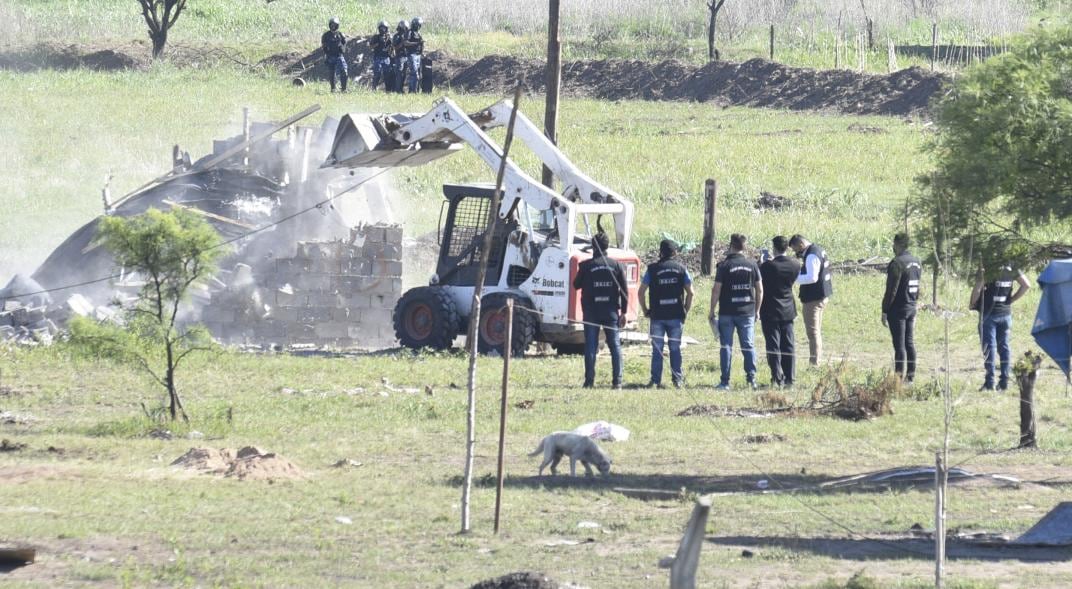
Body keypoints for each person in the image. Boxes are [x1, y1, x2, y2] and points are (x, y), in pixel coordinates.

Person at [573, 231, 628, 389]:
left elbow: (576, 285)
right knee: (615, 346)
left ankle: (589, 382)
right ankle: (617, 382)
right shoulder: (616, 266)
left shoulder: (586, 266)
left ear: (593, 247)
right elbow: (624, 291)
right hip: (610, 312)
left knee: (590, 345)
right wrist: (624, 312)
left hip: (591, 312)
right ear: (606, 246)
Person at [709, 234, 763, 390]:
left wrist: (712, 311)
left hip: (727, 312)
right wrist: (757, 310)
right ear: (744, 247)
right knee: (748, 345)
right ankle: (751, 380)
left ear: (731, 245)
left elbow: (716, 290)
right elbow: (759, 289)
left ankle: (725, 382)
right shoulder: (752, 265)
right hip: (747, 312)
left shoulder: (724, 266)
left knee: (726, 346)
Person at [639, 239, 695, 388]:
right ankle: (677, 380)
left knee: (657, 349)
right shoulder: (682, 269)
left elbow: (641, 292)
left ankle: (655, 380)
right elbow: (691, 293)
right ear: (675, 252)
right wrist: (685, 310)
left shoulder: (652, 269)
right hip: (676, 315)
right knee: (675, 348)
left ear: (660, 252)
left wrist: (645, 310)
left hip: (657, 316)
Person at [970, 263, 1030, 391]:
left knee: (989, 348)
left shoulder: (987, 267)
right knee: (1004, 348)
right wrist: (1011, 300)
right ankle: (1004, 382)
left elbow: (978, 289)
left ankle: (989, 383)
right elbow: (1026, 285)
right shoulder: (1013, 266)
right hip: (1005, 315)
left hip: (988, 315)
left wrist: (972, 303)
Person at [759, 236, 800, 387]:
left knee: (773, 345)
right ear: (787, 248)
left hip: (770, 309)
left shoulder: (767, 266)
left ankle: (777, 377)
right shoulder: (795, 264)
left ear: (774, 248)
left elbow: (761, 281)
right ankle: (790, 377)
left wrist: (764, 262)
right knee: (788, 344)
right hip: (788, 308)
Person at [881, 233, 922, 383]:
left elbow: (891, 289)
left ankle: (898, 378)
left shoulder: (897, 263)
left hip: (897, 309)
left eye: (894, 244)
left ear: (898, 244)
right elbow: (918, 287)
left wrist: (885, 310)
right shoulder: (917, 262)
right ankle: (910, 377)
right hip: (911, 306)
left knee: (899, 345)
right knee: (909, 342)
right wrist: (914, 303)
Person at [789, 234, 832, 366]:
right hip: (821, 295)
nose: (796, 252)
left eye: (796, 249)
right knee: (816, 332)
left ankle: (815, 363)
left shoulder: (812, 255)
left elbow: (812, 278)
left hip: (813, 299)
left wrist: (793, 279)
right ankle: (817, 360)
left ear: (801, 245)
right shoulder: (818, 250)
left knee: (812, 333)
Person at [321, 17, 348, 93]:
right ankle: (333, 89)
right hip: (330, 56)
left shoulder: (341, 34)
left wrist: (342, 49)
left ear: (337, 25)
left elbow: (345, 43)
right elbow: (323, 46)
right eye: (332, 25)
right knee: (332, 73)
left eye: (335, 25)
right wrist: (326, 54)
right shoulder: (326, 35)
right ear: (329, 25)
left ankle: (344, 89)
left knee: (344, 72)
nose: (333, 26)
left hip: (339, 56)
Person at [369, 20, 393, 92]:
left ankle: (388, 90)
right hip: (378, 57)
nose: (383, 29)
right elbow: (370, 47)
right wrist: (378, 43)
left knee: (387, 75)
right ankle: (374, 88)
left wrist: (390, 41)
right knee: (377, 73)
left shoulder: (389, 38)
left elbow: (392, 47)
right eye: (381, 28)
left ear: (386, 29)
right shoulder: (375, 37)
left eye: (384, 28)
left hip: (386, 58)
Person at [404, 17, 425, 94]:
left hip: (418, 55)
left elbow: (421, 43)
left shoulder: (419, 33)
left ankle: (415, 90)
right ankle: (412, 91)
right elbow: (405, 43)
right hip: (412, 55)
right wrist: (416, 43)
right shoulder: (409, 32)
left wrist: (422, 51)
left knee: (419, 74)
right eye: (419, 25)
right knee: (414, 74)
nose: (419, 27)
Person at [391, 20, 410, 93]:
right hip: (400, 57)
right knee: (399, 73)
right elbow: (395, 47)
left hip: (406, 56)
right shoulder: (397, 36)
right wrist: (402, 43)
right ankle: (397, 90)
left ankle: (401, 89)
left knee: (404, 74)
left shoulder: (407, 35)